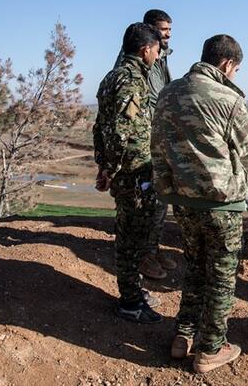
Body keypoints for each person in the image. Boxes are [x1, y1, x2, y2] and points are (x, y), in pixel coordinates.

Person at [151, 34, 248, 373]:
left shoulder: (168, 93)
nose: (234, 75)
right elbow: (246, 142)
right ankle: (211, 348)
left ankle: (183, 336)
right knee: (222, 276)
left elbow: (157, 144)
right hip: (221, 203)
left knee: (195, 267)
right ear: (227, 64)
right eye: (236, 69)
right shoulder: (228, 98)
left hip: (182, 200)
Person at [93, 22, 163, 324]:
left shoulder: (112, 77)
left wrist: (103, 164)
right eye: (156, 51)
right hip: (133, 172)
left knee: (129, 233)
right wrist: (111, 169)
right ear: (145, 50)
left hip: (124, 170)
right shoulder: (132, 80)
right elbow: (121, 130)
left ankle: (134, 292)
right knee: (132, 238)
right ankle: (131, 302)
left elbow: (99, 127)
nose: (157, 57)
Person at [114, 9, 176, 280]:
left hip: (158, 136)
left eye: (170, 30)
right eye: (163, 30)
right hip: (144, 141)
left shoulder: (161, 59)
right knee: (143, 202)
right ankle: (142, 256)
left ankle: (153, 248)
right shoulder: (131, 67)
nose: (168, 35)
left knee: (160, 197)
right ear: (149, 31)